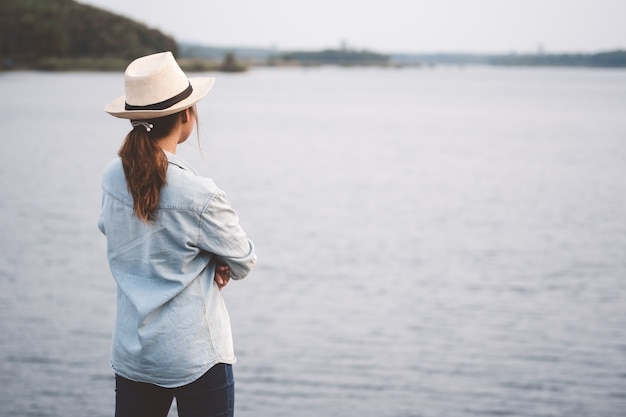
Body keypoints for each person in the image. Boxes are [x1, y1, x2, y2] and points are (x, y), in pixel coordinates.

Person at [98, 51, 256, 417]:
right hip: (195, 355)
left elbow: (111, 229)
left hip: (133, 353)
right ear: (187, 114)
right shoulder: (199, 193)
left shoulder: (111, 176)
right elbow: (244, 258)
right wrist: (217, 259)